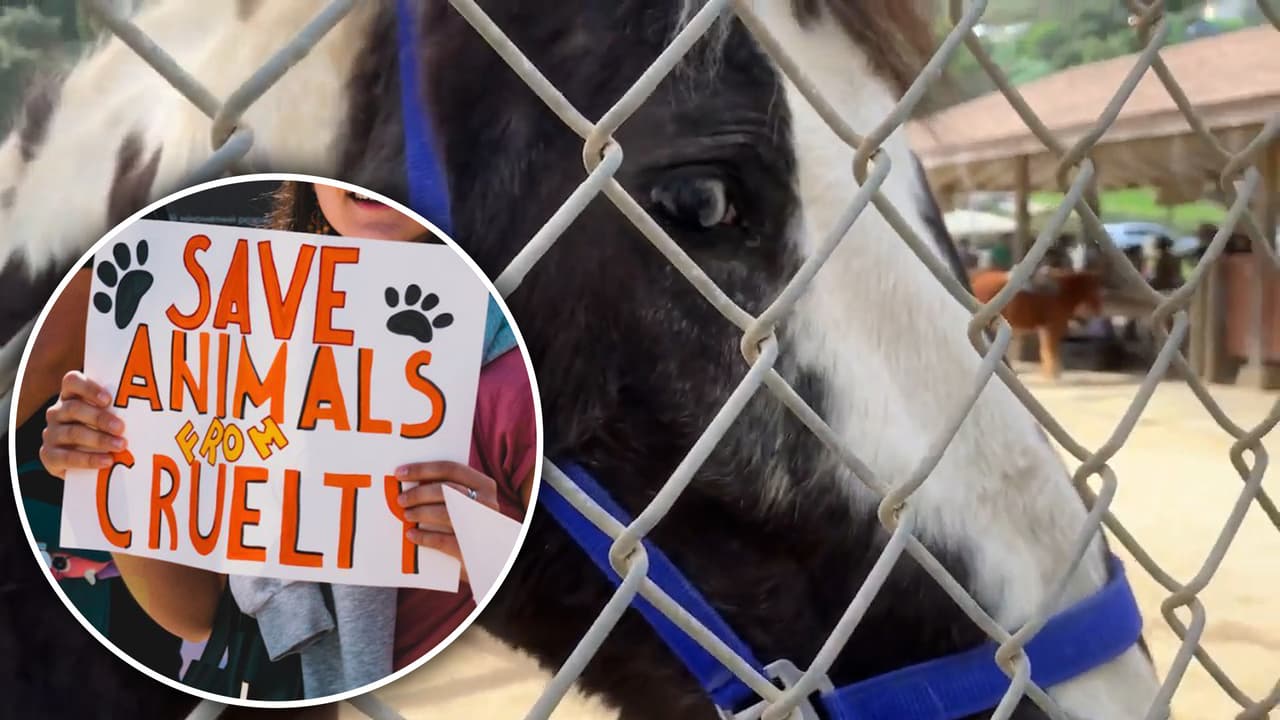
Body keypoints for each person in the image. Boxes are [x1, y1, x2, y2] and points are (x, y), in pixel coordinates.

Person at [32, 182, 536, 705]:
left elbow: (595, 598)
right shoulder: (228, 336)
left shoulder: (514, 376)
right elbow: (202, 616)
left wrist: (482, 540)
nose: (376, 169)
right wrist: (112, 469)